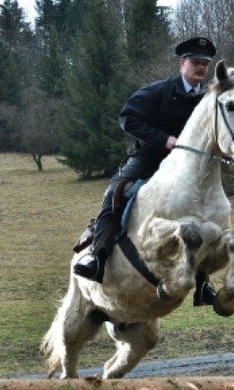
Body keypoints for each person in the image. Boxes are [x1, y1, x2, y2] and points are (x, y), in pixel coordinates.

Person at [73, 36, 218, 306]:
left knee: (204, 212)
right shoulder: (157, 91)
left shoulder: (207, 100)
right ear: (182, 63)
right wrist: (164, 139)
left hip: (186, 168)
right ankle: (97, 256)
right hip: (148, 158)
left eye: (205, 64)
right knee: (116, 190)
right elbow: (127, 118)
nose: (201, 68)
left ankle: (202, 282)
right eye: (196, 62)